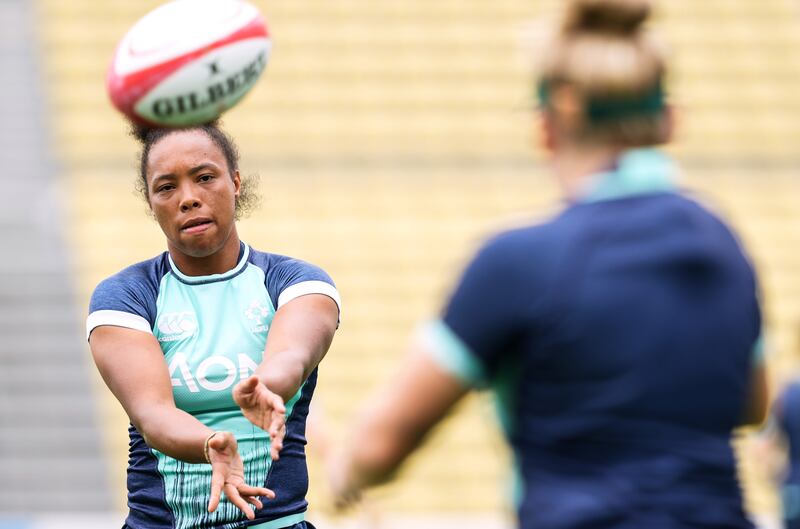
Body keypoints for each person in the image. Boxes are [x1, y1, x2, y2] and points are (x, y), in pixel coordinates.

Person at [328, 1, 767, 528]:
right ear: (669, 120)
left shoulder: (518, 263)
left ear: (548, 125)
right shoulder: (722, 244)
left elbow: (383, 446)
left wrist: (346, 472)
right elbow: (751, 404)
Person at [87, 122, 341, 529]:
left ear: (235, 182)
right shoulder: (126, 296)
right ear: (151, 202)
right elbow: (152, 414)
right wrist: (209, 443)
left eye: (205, 178)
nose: (188, 198)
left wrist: (265, 387)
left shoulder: (298, 282)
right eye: (166, 187)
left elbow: (292, 355)